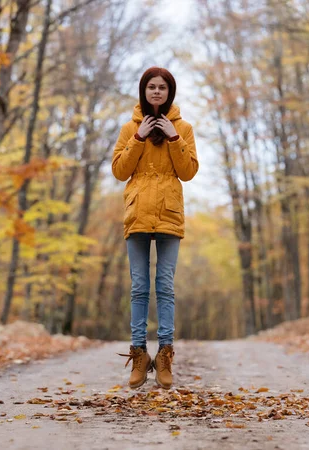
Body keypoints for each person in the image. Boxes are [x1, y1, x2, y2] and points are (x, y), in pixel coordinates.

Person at [111, 67, 199, 389]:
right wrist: (138, 138)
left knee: (164, 286)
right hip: (137, 216)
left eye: (162, 87)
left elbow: (188, 172)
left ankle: (164, 356)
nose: (157, 92)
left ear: (170, 92)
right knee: (138, 287)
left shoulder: (184, 129)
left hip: (169, 216)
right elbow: (120, 171)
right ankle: (139, 354)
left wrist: (174, 138)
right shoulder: (129, 128)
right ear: (143, 91)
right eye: (152, 87)